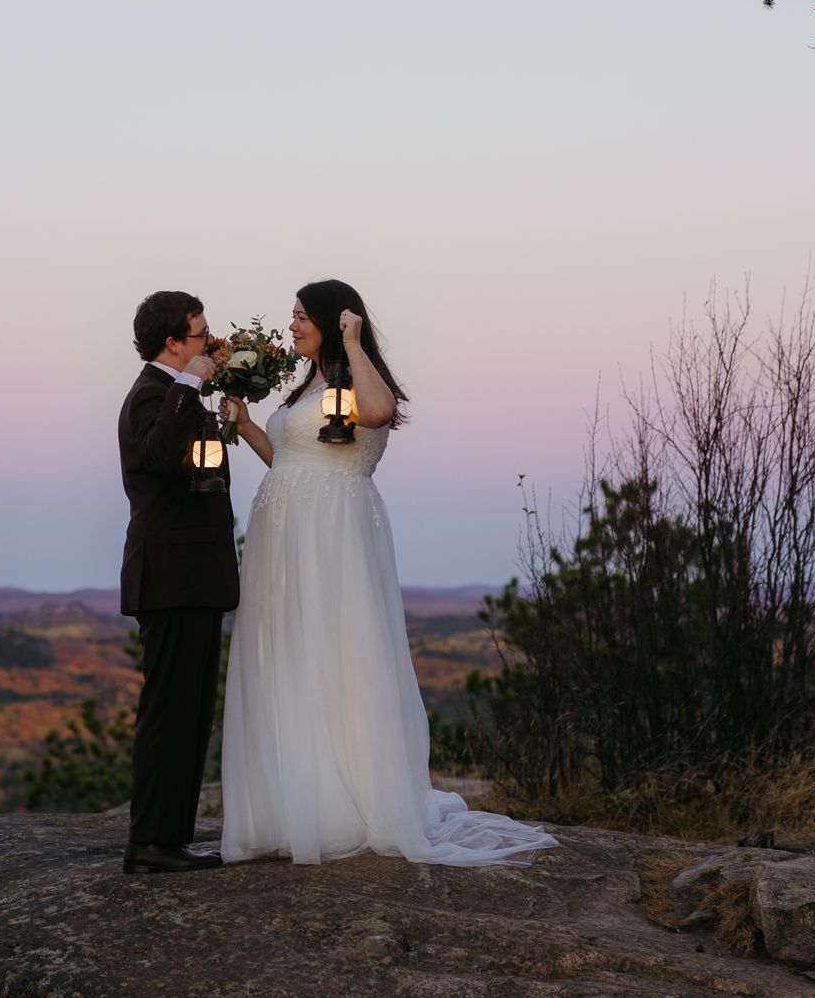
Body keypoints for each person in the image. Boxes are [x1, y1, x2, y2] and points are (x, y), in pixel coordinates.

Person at [218, 279, 557, 866]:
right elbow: (295, 460)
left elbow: (378, 412)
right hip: (284, 539)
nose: (292, 326)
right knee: (292, 659)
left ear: (332, 319)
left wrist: (353, 342)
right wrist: (247, 424)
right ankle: (291, 804)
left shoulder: (355, 379)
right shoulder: (311, 386)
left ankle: (344, 807)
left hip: (333, 536)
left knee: (337, 657)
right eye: (292, 316)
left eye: (301, 316)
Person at [116, 290, 235, 874]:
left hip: (196, 578)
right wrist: (190, 385)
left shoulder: (177, 395)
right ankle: (151, 844)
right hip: (169, 577)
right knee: (168, 710)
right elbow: (162, 456)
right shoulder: (151, 396)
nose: (210, 345)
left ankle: (172, 839)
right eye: (201, 335)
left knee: (191, 711)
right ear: (173, 343)